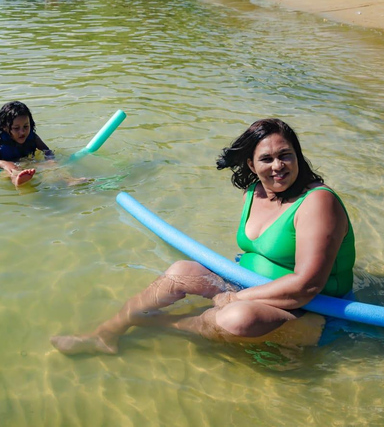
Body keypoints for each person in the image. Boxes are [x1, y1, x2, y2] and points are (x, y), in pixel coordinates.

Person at [51, 118, 356, 355]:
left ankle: (157, 324)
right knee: (180, 271)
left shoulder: (318, 202)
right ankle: (106, 334)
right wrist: (231, 291)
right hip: (246, 285)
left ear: (297, 157)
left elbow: (307, 285)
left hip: (306, 307)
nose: (278, 166)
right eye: (266, 159)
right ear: (251, 164)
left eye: (285, 156)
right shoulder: (256, 191)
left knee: (236, 319)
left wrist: (236, 297)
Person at [0, 101, 54, 187]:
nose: (22, 132)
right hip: (7, 167)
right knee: (7, 172)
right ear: (4, 127)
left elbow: (47, 151)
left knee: (52, 168)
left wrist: (51, 161)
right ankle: (17, 180)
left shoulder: (33, 137)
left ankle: (68, 180)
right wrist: (4, 164)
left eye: (26, 126)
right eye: (16, 128)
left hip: (27, 163)